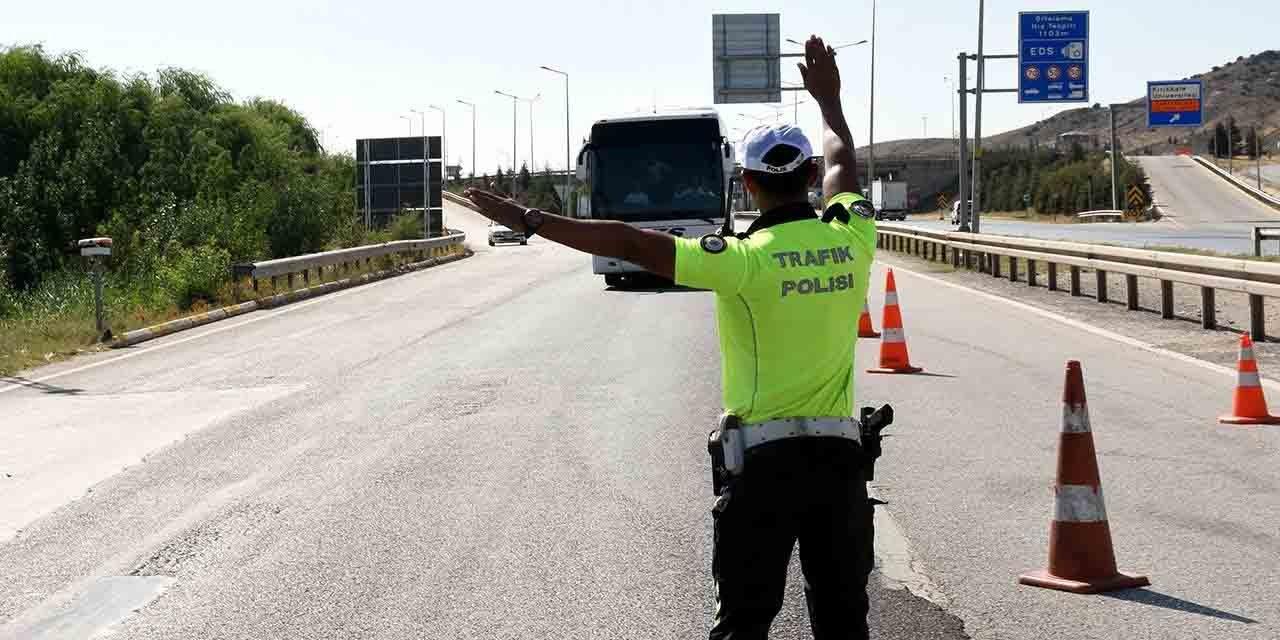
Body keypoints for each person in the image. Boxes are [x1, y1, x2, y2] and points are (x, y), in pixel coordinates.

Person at [462, 35, 877, 639]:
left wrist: (531, 220)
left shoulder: (741, 259)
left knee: (743, 624)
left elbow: (629, 242)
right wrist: (830, 102)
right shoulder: (853, 236)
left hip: (763, 471)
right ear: (809, 177)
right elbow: (845, 163)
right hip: (840, 468)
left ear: (746, 186)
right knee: (844, 623)